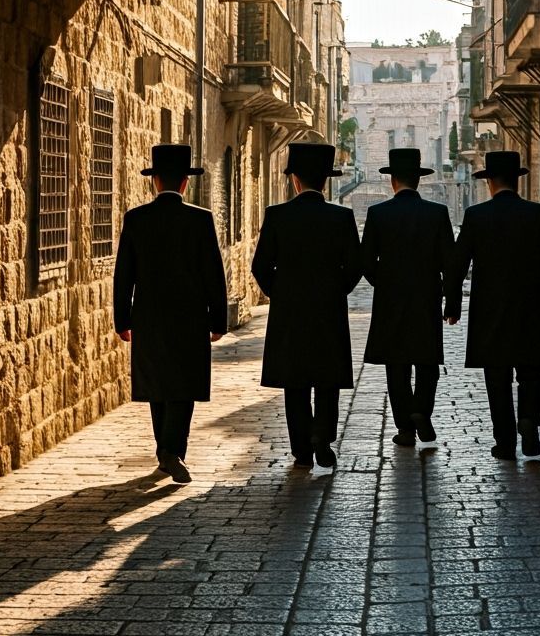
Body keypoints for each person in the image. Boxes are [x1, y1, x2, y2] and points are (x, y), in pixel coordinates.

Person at [113, 144, 228, 484]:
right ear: (184, 184)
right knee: (183, 385)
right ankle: (172, 450)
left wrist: (123, 320)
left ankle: (166, 449)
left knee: (157, 383)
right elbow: (213, 274)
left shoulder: (136, 219)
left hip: (148, 316)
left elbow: (124, 275)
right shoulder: (200, 219)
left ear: (156, 180)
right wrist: (218, 320)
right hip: (190, 318)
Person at [445, 150, 540, 460]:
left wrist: (453, 305)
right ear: (517, 180)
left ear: (489, 182)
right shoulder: (538, 214)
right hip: (530, 308)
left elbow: (456, 265)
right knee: (532, 374)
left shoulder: (476, 216)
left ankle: (504, 441)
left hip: (490, 311)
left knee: (496, 379)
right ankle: (529, 422)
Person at [252, 142, 362, 470]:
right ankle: (323, 438)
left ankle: (301, 447)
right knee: (327, 379)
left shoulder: (277, 216)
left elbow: (260, 266)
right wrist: (335, 290)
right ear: (325, 181)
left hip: (290, 313)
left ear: (294, 180)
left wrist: (281, 293)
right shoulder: (341, 218)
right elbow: (355, 266)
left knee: (295, 380)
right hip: (328, 311)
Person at [361, 148, 460, 447]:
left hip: (391, 301)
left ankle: (405, 427)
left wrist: (386, 283)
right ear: (418, 181)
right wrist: (451, 302)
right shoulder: (437, 213)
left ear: (392, 180)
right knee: (427, 361)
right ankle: (421, 411)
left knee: (397, 366)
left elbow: (365, 261)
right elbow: (451, 264)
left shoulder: (378, 214)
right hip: (427, 299)